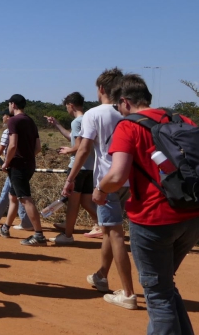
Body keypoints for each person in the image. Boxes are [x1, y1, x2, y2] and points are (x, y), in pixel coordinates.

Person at [100, 73, 198, 327]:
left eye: (117, 106)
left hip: (153, 219)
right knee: (165, 285)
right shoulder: (182, 120)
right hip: (191, 214)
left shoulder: (128, 126)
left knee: (157, 294)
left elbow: (117, 174)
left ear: (125, 102)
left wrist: (100, 189)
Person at [61, 67, 136, 309]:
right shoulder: (128, 113)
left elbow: (83, 149)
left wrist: (70, 178)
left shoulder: (94, 114)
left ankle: (128, 293)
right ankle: (101, 275)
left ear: (101, 89)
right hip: (129, 181)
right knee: (108, 230)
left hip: (107, 182)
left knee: (114, 234)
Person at [44, 92, 101, 243]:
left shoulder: (76, 122)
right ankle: (102, 224)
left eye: (67, 107)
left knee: (73, 204)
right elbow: (74, 138)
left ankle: (67, 235)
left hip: (78, 167)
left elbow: (78, 145)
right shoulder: (88, 119)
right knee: (87, 202)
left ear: (71, 105)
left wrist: (68, 150)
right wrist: (56, 124)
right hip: (91, 168)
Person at [0, 94, 46, 246]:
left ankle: (39, 235)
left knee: (24, 198)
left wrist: (6, 162)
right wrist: (27, 156)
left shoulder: (14, 121)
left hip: (17, 166)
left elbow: (12, 145)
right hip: (29, 164)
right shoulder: (30, 121)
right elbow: (38, 148)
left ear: (13, 104)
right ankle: (5, 227)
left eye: (9, 104)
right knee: (13, 197)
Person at [0, 110, 33, 230]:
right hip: (24, 165)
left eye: (3, 115)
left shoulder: (8, 131)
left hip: (14, 166)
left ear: (8, 117)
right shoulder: (26, 129)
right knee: (10, 193)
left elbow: (1, 149)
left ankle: (26, 222)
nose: (2, 118)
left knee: (18, 195)